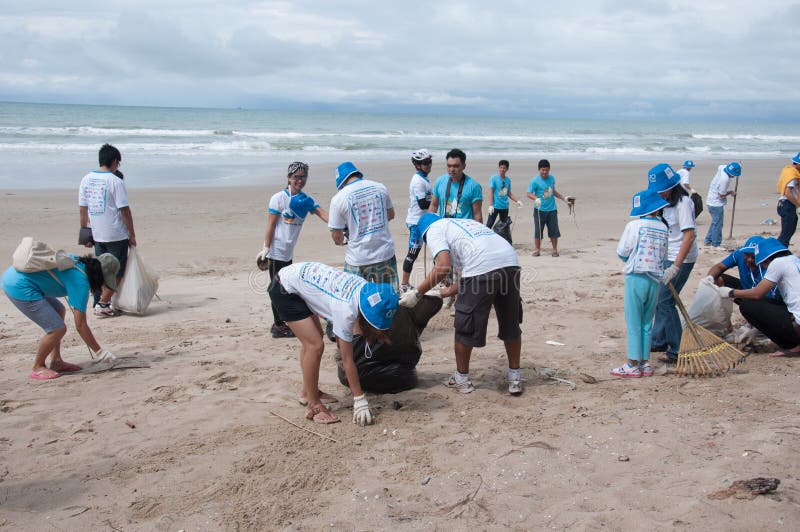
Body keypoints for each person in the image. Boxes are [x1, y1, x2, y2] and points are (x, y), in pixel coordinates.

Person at [399, 213, 524, 395]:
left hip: (484, 265)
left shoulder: (434, 230)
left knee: (465, 324)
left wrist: (418, 293)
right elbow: (472, 274)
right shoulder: (462, 224)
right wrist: (445, 292)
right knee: (510, 322)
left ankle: (462, 379)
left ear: (423, 234)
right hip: (510, 262)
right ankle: (515, 378)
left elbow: (443, 267)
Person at [267, 261, 398, 425]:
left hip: (299, 280)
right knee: (314, 345)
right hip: (284, 289)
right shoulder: (345, 310)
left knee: (314, 339)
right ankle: (313, 405)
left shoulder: (365, 289)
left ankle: (308, 392)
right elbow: (347, 360)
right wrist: (359, 399)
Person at [2, 253, 120, 380]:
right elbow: (80, 325)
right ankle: (38, 366)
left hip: (17, 276)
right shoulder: (81, 281)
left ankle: (56, 361)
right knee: (57, 329)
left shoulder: (77, 261)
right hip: (18, 285)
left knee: (59, 310)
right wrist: (100, 352)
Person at [256, 162, 329, 338]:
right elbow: (271, 225)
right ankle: (279, 326)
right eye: (296, 176)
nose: (300, 180)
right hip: (275, 252)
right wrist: (266, 248)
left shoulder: (305, 200)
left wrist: (340, 226)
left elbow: (323, 214)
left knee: (283, 287)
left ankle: (282, 323)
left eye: (303, 176)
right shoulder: (278, 198)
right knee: (276, 288)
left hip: (288, 252)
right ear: (289, 178)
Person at [610, 189, 669, 378]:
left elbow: (622, 252)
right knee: (646, 322)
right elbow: (664, 256)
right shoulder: (663, 227)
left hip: (636, 276)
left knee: (634, 321)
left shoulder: (634, 225)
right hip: (655, 279)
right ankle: (645, 363)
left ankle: (632, 364)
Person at [336, 294, 443, 394]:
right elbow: (436, 300)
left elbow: (339, 343)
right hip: (402, 378)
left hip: (359, 379)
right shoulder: (405, 311)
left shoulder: (355, 309)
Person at [647, 163, 698, 364]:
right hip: (667, 254)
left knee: (666, 300)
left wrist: (675, 266)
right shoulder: (665, 202)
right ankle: (659, 339)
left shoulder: (683, 203)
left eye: (661, 190)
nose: (659, 194)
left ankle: (678, 348)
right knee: (658, 297)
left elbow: (689, 236)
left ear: (671, 186)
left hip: (683, 257)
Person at [78, 143, 137, 316]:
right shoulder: (115, 181)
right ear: (114, 161)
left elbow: (83, 208)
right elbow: (124, 210)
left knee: (100, 269)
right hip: (116, 233)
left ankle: (98, 301)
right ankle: (103, 303)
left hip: (97, 233)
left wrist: (85, 232)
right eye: (118, 163)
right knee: (117, 270)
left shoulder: (86, 179)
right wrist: (132, 234)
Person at [716, 238, 800, 357]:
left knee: (748, 305)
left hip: (797, 325)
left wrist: (730, 293)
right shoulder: (793, 260)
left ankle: (793, 346)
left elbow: (757, 293)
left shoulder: (777, 263)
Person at [329, 161, 398, 289]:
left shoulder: (338, 199)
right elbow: (391, 215)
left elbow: (337, 236)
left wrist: (343, 238)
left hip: (357, 258)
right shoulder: (380, 187)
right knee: (388, 298)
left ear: (341, 182)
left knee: (354, 299)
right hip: (385, 254)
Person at [526, 159, 575, 257]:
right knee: (538, 231)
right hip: (539, 210)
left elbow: (553, 191)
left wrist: (564, 198)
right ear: (539, 169)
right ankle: (537, 250)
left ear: (549, 169)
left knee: (554, 231)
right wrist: (536, 199)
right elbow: (528, 193)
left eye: (546, 170)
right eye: (543, 170)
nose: (545, 172)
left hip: (552, 209)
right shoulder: (534, 181)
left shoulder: (552, 178)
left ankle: (554, 250)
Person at [401, 150, 434, 293]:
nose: (428, 165)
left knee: (437, 249)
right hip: (416, 223)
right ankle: (404, 284)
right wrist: (438, 199)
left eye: (429, 162)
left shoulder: (423, 179)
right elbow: (423, 204)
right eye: (425, 163)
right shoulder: (418, 181)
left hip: (424, 221)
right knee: (412, 253)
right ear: (417, 165)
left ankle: (443, 279)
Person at [707, 235, 779, 298]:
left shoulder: (767, 265)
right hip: (745, 288)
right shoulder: (739, 254)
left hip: (762, 295)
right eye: (747, 255)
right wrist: (708, 279)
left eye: (753, 256)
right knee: (717, 278)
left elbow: (758, 294)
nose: (749, 259)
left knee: (746, 306)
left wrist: (731, 293)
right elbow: (720, 266)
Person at [429, 149, 483, 222]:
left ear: (464, 166)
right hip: (445, 228)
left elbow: (477, 215)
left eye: (456, 166)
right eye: (449, 166)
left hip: (464, 230)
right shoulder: (440, 181)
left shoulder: (474, 186)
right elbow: (434, 206)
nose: (452, 169)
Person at [703, 162, 741, 247]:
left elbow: (720, 165)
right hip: (715, 203)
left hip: (710, 200)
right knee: (718, 224)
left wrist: (738, 165)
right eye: (733, 175)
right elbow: (721, 195)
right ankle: (716, 244)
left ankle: (707, 241)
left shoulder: (722, 167)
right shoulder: (725, 179)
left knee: (715, 222)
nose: (734, 177)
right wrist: (731, 192)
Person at [486, 160, 523, 229]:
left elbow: (509, 193)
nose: (502, 169)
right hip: (495, 206)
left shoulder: (508, 180)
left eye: (504, 168)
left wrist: (518, 201)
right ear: (499, 168)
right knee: (489, 225)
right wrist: (490, 205)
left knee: (504, 227)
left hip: (504, 206)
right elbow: (491, 192)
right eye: (501, 167)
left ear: (507, 169)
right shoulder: (493, 178)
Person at [776, 152, 800, 247]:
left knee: (790, 229)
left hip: (787, 204)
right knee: (786, 233)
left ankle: (780, 248)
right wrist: (798, 204)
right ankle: (779, 251)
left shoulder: (788, 170)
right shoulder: (792, 175)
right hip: (787, 204)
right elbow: (788, 193)